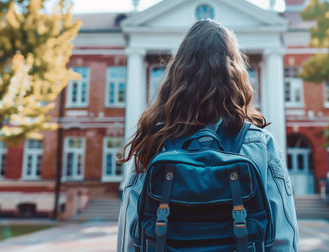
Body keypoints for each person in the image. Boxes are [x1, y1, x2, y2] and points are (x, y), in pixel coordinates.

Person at [117, 19, 298, 252]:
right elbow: (284, 236)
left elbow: (131, 236)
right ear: (235, 74)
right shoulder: (260, 144)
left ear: (178, 73)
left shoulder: (156, 142)